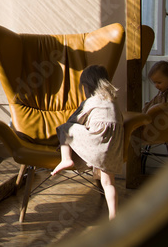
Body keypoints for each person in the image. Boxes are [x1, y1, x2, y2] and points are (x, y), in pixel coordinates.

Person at [51, 64, 125, 220]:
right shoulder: (113, 101)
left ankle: (66, 159)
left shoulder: (91, 102)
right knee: (108, 183)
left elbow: (74, 120)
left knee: (66, 128)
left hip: (96, 143)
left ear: (87, 86)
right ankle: (114, 216)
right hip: (112, 149)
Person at [131, 60, 168, 152]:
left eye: (159, 82)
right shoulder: (163, 92)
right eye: (154, 83)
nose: (156, 86)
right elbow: (153, 103)